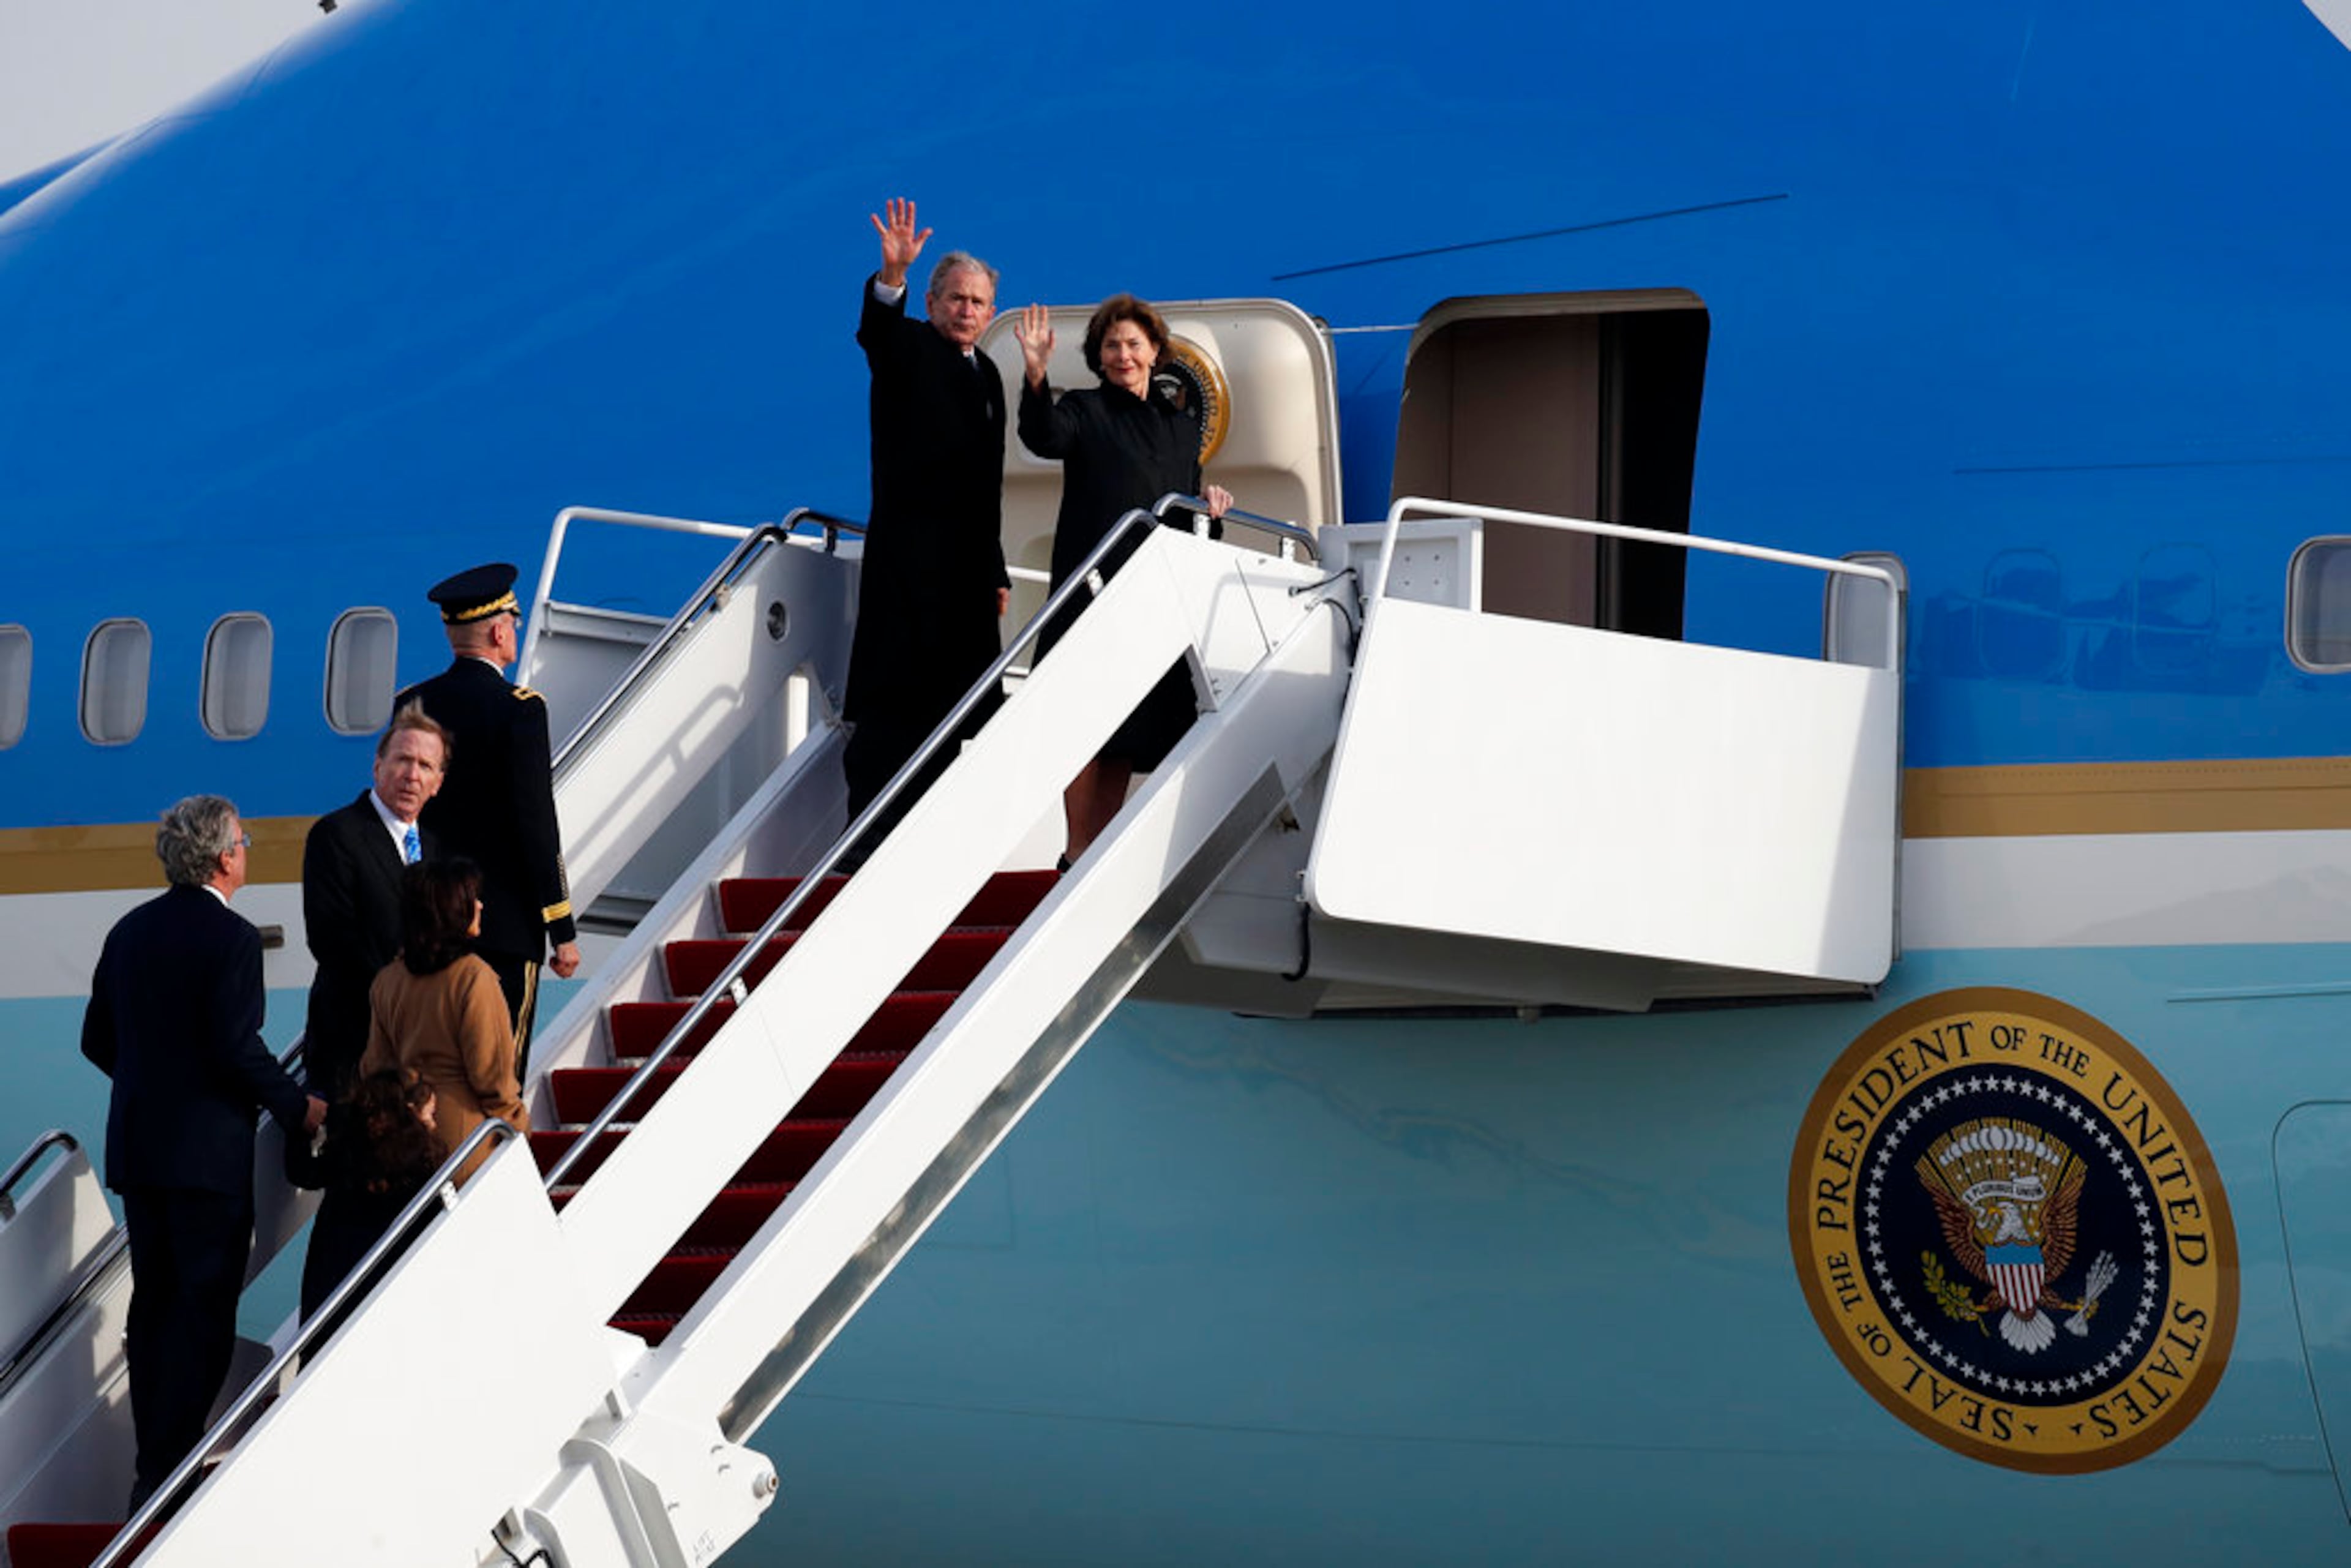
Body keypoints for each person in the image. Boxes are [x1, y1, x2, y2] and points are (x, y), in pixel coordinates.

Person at [80, 795, 327, 1509]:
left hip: (140, 1149)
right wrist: (296, 1104)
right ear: (225, 857)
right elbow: (236, 1046)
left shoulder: (128, 930)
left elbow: (96, 1039)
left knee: (152, 1310)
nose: (247, 849)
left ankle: (148, 1464)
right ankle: (169, 1470)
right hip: (208, 1159)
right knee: (203, 1313)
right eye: (244, 840)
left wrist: (153, 1086)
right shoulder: (234, 940)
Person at [1013, 294, 1234, 861]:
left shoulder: (1180, 428)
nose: (1123, 355)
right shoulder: (1085, 410)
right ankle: (1074, 848)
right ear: (1098, 355)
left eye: (1134, 344)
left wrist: (1211, 506)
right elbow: (1043, 437)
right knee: (1080, 725)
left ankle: (1091, 850)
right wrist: (1035, 375)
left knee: (1125, 731)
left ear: (1155, 350)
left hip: (1150, 597)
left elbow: (1186, 514)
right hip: (1091, 591)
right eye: (1112, 345)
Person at [842, 197, 1011, 847]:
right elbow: (876, 332)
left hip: (968, 577)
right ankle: (865, 847)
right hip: (909, 569)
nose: (967, 310)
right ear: (933, 302)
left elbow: (988, 486)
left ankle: (941, 844)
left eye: (978, 303)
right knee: (893, 711)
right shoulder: (907, 345)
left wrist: (995, 569)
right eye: (956, 299)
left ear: (990, 313)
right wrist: (892, 278)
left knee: (962, 712)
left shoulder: (990, 374)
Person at [396, 563, 579, 1071]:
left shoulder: (411, 704)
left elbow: (404, 819)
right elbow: (536, 824)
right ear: (499, 630)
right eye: (513, 624)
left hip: (429, 920)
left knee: (433, 1071)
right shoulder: (520, 708)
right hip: (505, 925)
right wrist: (561, 925)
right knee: (497, 1074)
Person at [299, 701, 450, 1103]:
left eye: (425, 766)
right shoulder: (337, 835)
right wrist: (407, 995)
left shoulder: (436, 848)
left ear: (438, 781)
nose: (412, 776)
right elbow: (332, 940)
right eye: (403, 760)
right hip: (356, 1044)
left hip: (424, 1050)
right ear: (378, 766)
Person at [358, 857, 528, 1187]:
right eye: (470, 898)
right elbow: (492, 1078)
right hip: (469, 1141)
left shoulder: (388, 979)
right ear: (453, 910)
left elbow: (375, 1066)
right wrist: (518, 1125)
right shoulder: (474, 977)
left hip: (410, 1140)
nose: (479, 905)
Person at [291, 1068, 441, 1324]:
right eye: (430, 1115)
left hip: (326, 1289)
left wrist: (299, 1128)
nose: (434, 1125)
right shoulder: (418, 1178)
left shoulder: (348, 1154)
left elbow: (303, 1173)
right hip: (375, 1299)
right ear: (409, 1115)